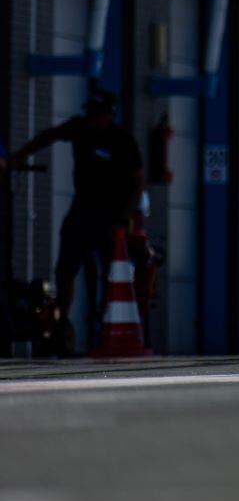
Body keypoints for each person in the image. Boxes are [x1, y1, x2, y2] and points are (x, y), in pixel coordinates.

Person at [1, 88, 143, 352]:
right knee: (65, 268)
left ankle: (107, 320)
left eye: (98, 115)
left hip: (110, 217)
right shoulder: (80, 129)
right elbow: (50, 136)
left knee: (110, 271)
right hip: (82, 210)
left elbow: (137, 183)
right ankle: (61, 323)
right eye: (90, 113)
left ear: (110, 116)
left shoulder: (122, 141)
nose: (93, 119)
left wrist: (123, 218)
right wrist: (16, 158)